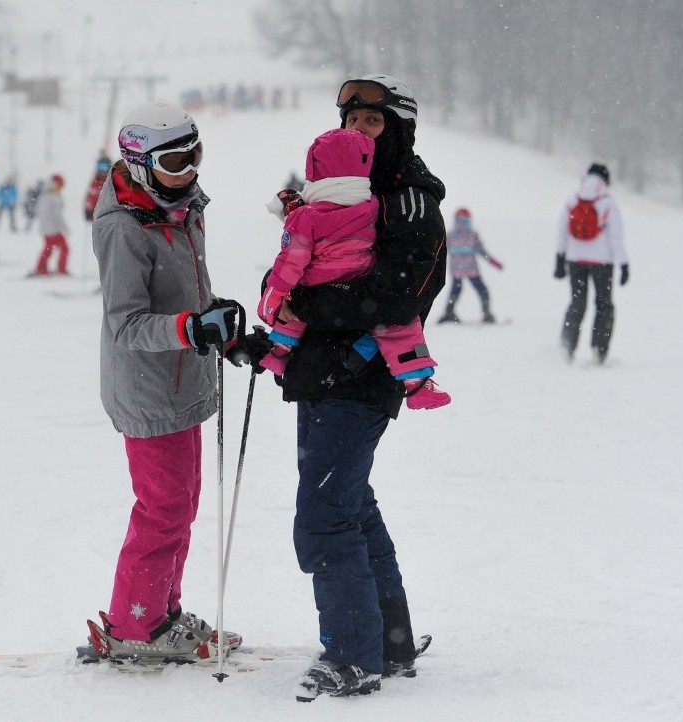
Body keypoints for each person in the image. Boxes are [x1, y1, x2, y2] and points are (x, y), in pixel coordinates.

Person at [255, 74, 445, 701]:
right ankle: (387, 641)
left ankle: (353, 656)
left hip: (361, 376)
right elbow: (295, 261)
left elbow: (398, 295)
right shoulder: (339, 188)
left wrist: (306, 302)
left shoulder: (409, 198)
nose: (357, 131)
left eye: (371, 121)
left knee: (324, 518)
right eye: (349, 120)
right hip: (320, 374)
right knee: (350, 504)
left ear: (398, 126)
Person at [85, 100, 244, 667]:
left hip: (182, 377)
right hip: (150, 387)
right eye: (178, 159)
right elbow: (125, 323)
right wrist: (191, 326)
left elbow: (185, 291)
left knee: (181, 504)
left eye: (195, 154)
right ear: (141, 163)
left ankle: (160, 614)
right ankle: (135, 625)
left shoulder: (178, 207)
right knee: (162, 507)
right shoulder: (125, 229)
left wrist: (216, 322)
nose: (191, 170)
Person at [257, 128, 450, 410]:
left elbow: (291, 260)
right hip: (360, 276)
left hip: (317, 278)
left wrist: (274, 293)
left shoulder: (306, 217)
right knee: (401, 327)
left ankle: (279, 351)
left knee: (294, 302)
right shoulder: (372, 204)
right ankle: (418, 382)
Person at [554, 162, 629, 363]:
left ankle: (566, 347)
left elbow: (562, 231)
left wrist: (560, 259)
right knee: (604, 305)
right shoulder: (607, 202)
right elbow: (616, 237)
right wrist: (623, 264)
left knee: (577, 303)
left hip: (575, 259)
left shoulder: (572, 199)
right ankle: (599, 351)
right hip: (602, 262)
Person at [438, 207, 504, 324]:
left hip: (457, 270)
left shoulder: (451, 235)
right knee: (481, 290)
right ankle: (486, 312)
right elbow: (482, 252)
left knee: (456, 290)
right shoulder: (471, 235)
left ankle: (449, 311)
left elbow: (440, 252)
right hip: (470, 269)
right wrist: (494, 263)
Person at [30, 174, 69, 276]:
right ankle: (61, 269)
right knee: (64, 249)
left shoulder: (44, 194)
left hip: (45, 228)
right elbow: (57, 215)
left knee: (48, 248)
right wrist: (64, 227)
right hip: (53, 229)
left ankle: (41, 268)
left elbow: (37, 210)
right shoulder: (54, 196)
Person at [84, 153, 112, 222]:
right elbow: (90, 197)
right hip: (97, 218)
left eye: (105, 167)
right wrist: (88, 210)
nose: (103, 171)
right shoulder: (95, 182)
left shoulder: (111, 181)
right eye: (101, 167)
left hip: (109, 217)